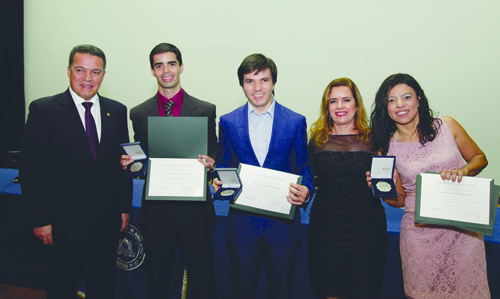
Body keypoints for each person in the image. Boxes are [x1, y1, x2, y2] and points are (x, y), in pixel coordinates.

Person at [19, 44, 133, 299]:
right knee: (62, 286)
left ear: (104, 75)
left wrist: (124, 207)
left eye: (95, 72)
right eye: (80, 70)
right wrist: (40, 219)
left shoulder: (116, 111)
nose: (88, 78)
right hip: (61, 223)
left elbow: (121, 165)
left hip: (105, 221)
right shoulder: (44, 110)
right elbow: (30, 171)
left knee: (103, 285)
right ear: (68, 71)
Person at [368, 73, 490, 298]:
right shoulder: (386, 148)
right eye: (391, 100)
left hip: (462, 229)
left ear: (419, 99)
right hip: (419, 233)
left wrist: (463, 171)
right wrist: (384, 192)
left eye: (406, 97)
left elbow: (480, 158)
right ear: (385, 107)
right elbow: (400, 201)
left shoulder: (447, 125)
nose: (400, 104)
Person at [121, 43, 218, 299]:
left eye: (171, 63)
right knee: (157, 280)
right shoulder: (139, 114)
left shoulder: (205, 110)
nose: (166, 70)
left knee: (202, 280)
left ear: (181, 67)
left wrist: (212, 163)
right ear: (152, 71)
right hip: (157, 214)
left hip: (195, 211)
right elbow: (141, 160)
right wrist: (130, 164)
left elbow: (214, 151)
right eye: (159, 65)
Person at [213, 53, 313, 299]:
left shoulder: (295, 121)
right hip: (243, 228)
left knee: (281, 292)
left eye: (264, 80)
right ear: (242, 85)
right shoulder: (227, 121)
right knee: (242, 292)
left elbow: (305, 168)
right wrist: (218, 179)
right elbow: (224, 165)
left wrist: (307, 189)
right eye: (249, 81)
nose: (257, 88)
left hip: (283, 228)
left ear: (274, 83)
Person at [307, 78, 387, 299]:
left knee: (365, 289)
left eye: (346, 100)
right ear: (327, 107)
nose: (340, 106)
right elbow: (308, 179)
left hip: (367, 230)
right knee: (329, 288)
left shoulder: (374, 139)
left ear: (356, 104)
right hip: (326, 228)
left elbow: (387, 183)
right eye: (333, 101)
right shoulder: (317, 140)